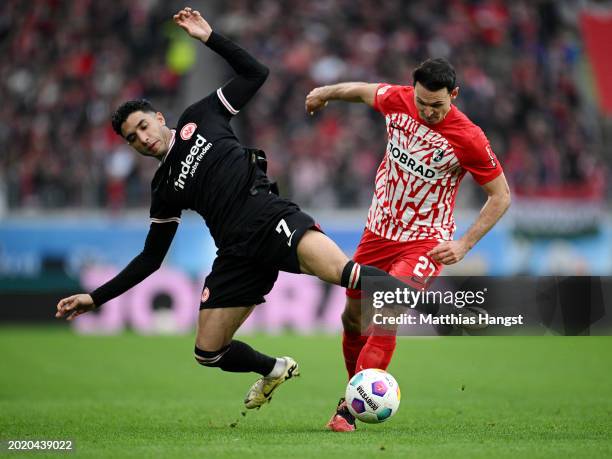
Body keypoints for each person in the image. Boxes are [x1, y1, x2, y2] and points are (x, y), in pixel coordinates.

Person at [55, 7, 428, 412]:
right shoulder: (162, 189)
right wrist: (97, 298)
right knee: (207, 352)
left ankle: (437, 308)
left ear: (159, 118)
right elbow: (151, 258)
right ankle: (275, 368)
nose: (142, 138)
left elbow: (256, 74)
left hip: (274, 220)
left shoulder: (200, 117)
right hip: (236, 254)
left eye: (143, 126)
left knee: (349, 276)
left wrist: (210, 37)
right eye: (132, 138)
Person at [306, 58, 511, 431]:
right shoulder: (399, 100)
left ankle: (347, 412)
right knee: (352, 318)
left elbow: (501, 196)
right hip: (377, 232)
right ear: (412, 91)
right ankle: (356, 390)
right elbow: (365, 91)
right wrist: (325, 93)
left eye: (438, 105)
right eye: (422, 103)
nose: (428, 111)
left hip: (424, 241)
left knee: (385, 314)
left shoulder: (469, 137)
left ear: (455, 95)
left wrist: (464, 244)